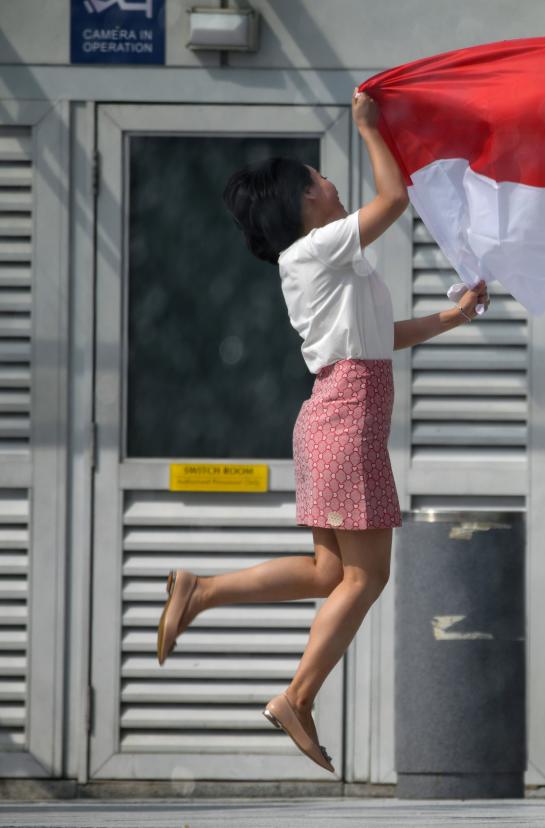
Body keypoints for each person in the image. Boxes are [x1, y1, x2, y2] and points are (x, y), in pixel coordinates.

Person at [155, 90, 488, 773]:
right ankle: (297, 697)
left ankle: (203, 590)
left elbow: (375, 337)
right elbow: (394, 199)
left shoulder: (321, 260)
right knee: (366, 578)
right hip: (348, 414)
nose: (330, 183)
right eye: (318, 180)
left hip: (334, 410)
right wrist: (370, 127)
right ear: (301, 205)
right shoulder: (316, 250)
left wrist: (450, 319)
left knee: (330, 572)